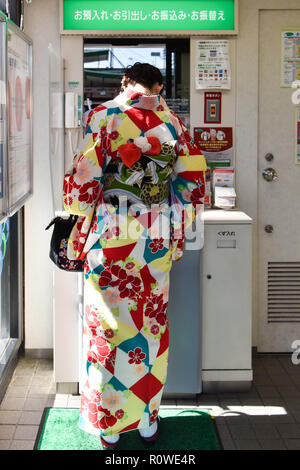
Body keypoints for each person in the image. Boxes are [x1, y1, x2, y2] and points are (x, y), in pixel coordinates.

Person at [63, 62, 207, 448]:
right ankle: (147, 419)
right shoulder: (174, 123)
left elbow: (82, 183)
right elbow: (193, 182)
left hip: (111, 234)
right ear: (159, 86)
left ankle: (109, 424)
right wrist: (175, 225)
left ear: (126, 82)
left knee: (106, 328)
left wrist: (78, 214)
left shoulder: (103, 117)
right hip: (154, 235)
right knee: (150, 326)